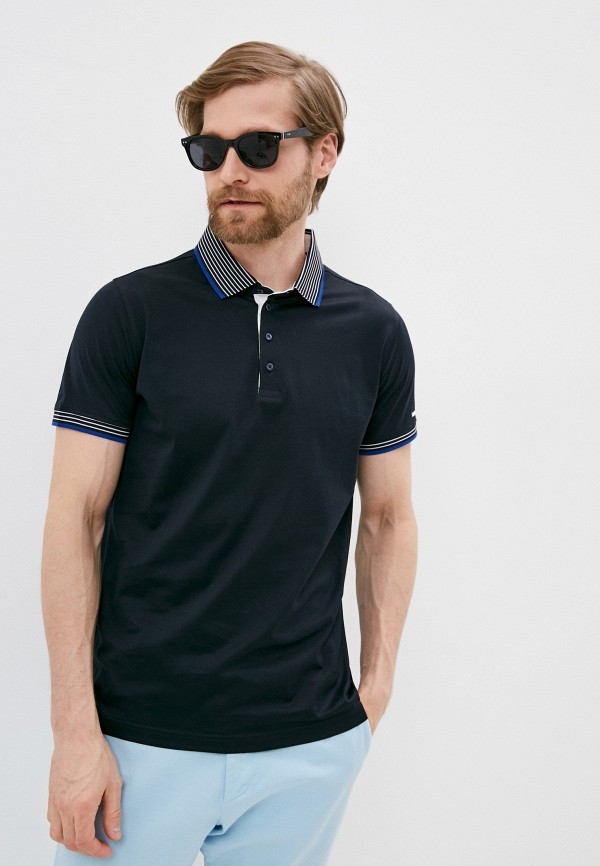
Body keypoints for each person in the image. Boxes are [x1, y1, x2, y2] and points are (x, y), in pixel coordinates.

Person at [41, 40, 418, 866]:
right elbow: (75, 519)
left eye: (258, 146)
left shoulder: (375, 332)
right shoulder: (129, 314)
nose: (231, 172)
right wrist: (75, 734)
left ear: (324, 152)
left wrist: (373, 692)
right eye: (209, 151)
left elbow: (387, 518)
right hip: (140, 742)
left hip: (310, 745)